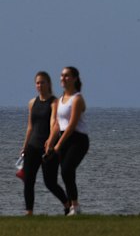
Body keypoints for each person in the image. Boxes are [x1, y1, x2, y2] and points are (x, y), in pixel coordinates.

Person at [20, 71, 69, 216]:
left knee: (50, 183)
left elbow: (54, 122)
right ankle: (29, 212)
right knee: (28, 181)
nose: (39, 85)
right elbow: (30, 126)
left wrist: (50, 143)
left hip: (48, 148)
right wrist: (24, 146)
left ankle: (68, 205)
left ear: (48, 84)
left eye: (42, 82)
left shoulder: (55, 102)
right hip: (32, 147)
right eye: (37, 83)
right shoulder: (31, 103)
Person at [48, 66, 90, 216]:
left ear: (74, 79)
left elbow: (72, 125)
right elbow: (58, 124)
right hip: (63, 137)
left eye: (66, 76)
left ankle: (75, 206)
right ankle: (73, 207)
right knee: (66, 173)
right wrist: (51, 141)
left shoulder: (77, 99)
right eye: (61, 75)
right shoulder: (60, 100)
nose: (63, 78)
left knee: (67, 170)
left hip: (78, 140)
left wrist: (59, 145)